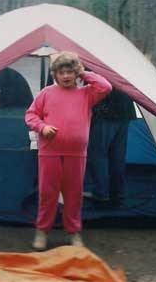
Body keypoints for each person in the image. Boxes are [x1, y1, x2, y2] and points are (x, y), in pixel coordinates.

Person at [25, 51, 112, 250]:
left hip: (76, 153)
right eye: (61, 72)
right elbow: (30, 116)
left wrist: (83, 73)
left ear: (76, 74)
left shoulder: (86, 94)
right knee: (48, 193)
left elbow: (106, 87)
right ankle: (42, 230)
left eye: (70, 72)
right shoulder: (46, 93)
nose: (65, 76)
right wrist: (42, 128)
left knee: (74, 193)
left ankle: (73, 231)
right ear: (55, 74)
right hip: (49, 152)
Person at [86, 89, 136, 206]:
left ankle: (101, 192)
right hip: (125, 109)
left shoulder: (99, 70)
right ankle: (118, 192)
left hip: (105, 110)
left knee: (98, 154)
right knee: (117, 155)